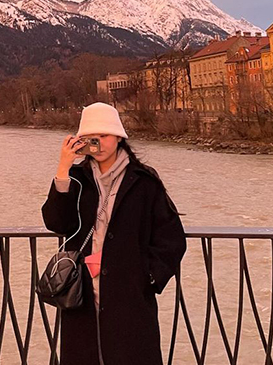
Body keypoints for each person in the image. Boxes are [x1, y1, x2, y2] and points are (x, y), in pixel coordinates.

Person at [41, 102, 187, 365]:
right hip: (82, 295)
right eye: (90, 137)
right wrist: (62, 169)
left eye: (104, 135)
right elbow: (57, 223)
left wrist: (148, 277)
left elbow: (172, 237)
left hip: (129, 295)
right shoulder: (76, 178)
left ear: (119, 136)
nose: (98, 142)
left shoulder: (143, 181)